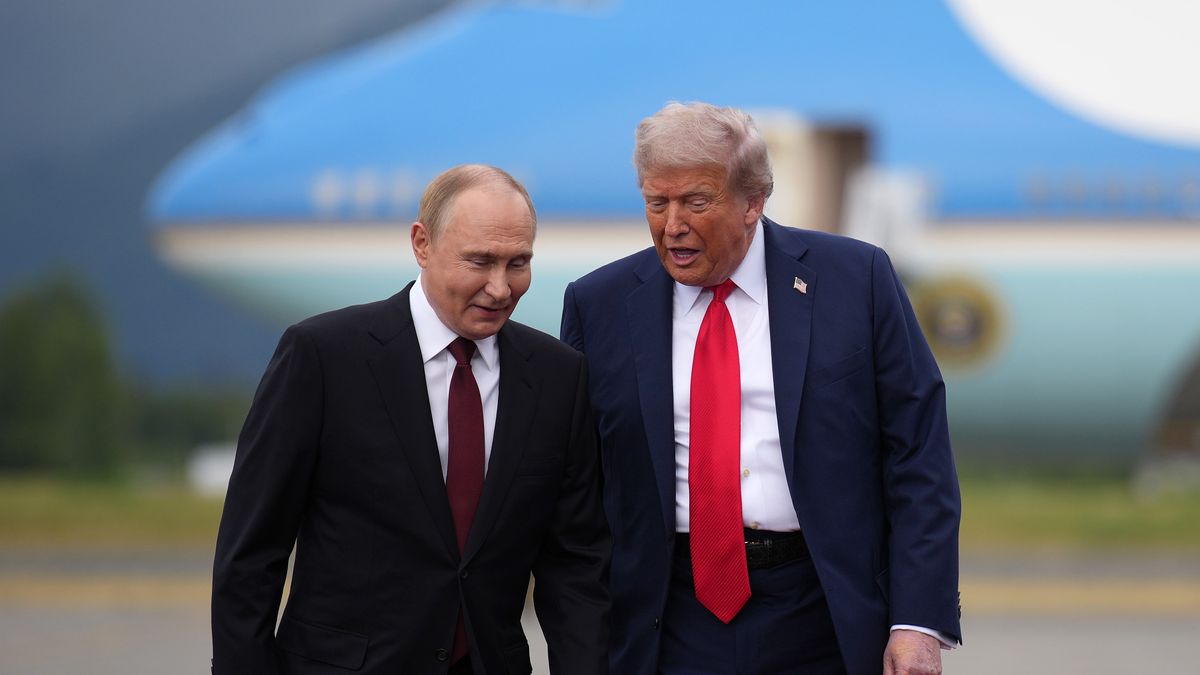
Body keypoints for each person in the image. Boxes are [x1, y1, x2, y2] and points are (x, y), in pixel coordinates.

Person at [560, 102, 961, 675]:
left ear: (753, 202)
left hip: (823, 607)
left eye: (696, 202)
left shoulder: (856, 281)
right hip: (667, 614)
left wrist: (918, 622)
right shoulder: (599, 304)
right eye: (657, 202)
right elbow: (576, 489)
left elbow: (919, 457)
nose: (673, 224)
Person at [212, 164, 610, 675]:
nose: (500, 287)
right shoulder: (324, 357)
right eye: (479, 261)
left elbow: (575, 568)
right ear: (422, 244)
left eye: (518, 263)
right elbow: (251, 554)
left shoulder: (559, 377)